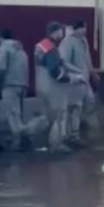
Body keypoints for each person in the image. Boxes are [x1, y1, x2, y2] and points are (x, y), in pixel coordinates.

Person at [34, 22, 73, 153]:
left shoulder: (40, 45)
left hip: (40, 84)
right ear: (55, 32)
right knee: (57, 115)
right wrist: (67, 78)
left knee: (46, 116)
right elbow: (54, 70)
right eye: (61, 31)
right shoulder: (51, 48)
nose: (62, 34)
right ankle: (56, 144)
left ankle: (41, 143)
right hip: (51, 86)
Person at [58, 20, 96, 148]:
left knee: (78, 108)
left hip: (83, 80)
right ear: (77, 28)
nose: (85, 30)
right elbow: (63, 61)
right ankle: (69, 136)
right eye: (84, 28)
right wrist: (77, 72)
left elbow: (88, 59)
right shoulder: (68, 41)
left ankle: (74, 135)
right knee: (72, 108)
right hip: (72, 81)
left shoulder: (83, 41)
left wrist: (93, 74)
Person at [0, 29, 29, 151]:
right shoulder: (21, 50)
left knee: (12, 115)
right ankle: (22, 139)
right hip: (21, 85)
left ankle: (19, 141)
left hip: (9, 85)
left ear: (1, 38)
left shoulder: (4, 49)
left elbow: (0, 67)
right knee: (17, 114)